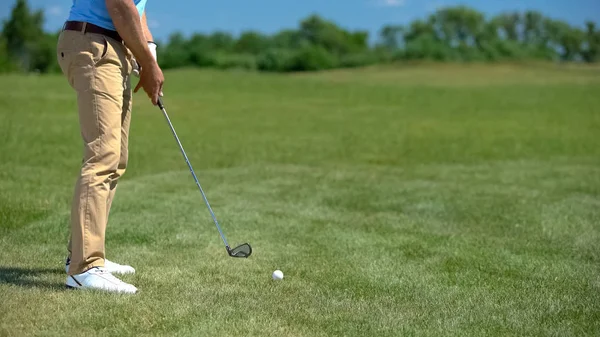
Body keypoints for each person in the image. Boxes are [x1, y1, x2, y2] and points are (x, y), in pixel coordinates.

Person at [56, 0, 164, 294]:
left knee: (116, 158)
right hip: (94, 44)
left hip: (115, 50)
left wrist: (148, 52)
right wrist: (149, 65)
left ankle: (81, 253)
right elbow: (119, 5)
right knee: (102, 156)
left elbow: (137, 11)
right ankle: (85, 267)